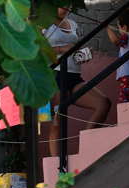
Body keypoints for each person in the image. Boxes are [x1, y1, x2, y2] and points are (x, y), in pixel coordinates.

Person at [45, 7, 112, 158]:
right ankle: (56, 169)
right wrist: (62, 49)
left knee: (103, 103)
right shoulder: (45, 23)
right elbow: (37, 50)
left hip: (74, 75)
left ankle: (86, 149)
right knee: (58, 123)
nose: (68, 8)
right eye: (64, 5)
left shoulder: (72, 24)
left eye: (70, 4)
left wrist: (83, 53)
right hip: (54, 75)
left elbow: (73, 49)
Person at [107, 10, 129, 104]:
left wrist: (107, 28)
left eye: (119, 27)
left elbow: (116, 41)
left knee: (126, 102)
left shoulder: (127, 37)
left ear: (124, 27)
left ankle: (126, 118)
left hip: (128, 76)